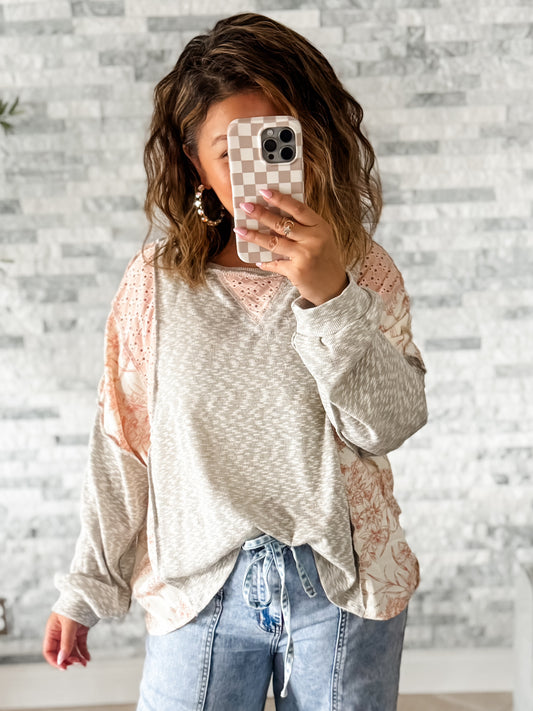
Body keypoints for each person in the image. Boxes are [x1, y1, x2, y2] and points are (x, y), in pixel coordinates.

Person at [42, 12, 428, 711]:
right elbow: (123, 444)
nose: (262, 174)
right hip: (197, 593)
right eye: (232, 152)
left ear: (314, 139)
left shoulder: (364, 270)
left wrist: (330, 297)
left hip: (343, 590)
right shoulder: (155, 284)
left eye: (279, 141)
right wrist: (86, 587)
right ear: (195, 163)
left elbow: (387, 426)